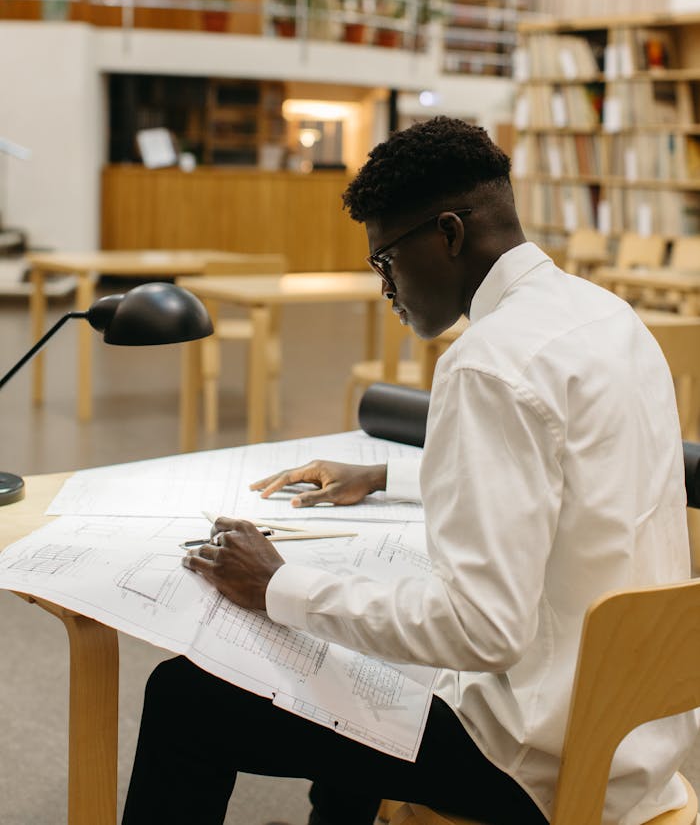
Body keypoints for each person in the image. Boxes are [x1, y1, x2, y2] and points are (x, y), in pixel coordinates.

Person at [122, 117, 698, 825]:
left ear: (449, 235)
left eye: (387, 261)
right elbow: (580, 480)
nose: (386, 289)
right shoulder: (606, 317)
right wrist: (389, 476)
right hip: (631, 738)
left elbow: (484, 633)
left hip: (529, 759)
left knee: (186, 697)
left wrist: (278, 584)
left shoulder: (489, 363)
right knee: (359, 657)